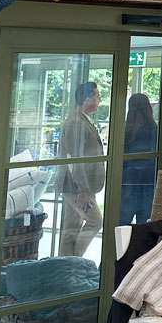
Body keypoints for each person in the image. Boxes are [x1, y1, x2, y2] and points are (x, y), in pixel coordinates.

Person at [58, 81, 106, 257]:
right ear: (87, 98)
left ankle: (65, 267)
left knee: (70, 227)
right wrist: (82, 190)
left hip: (76, 186)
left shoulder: (81, 120)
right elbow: (74, 159)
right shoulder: (76, 123)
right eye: (97, 96)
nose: (99, 100)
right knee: (95, 221)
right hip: (76, 187)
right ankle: (74, 261)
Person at [120, 93, 159, 225]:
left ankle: (118, 247)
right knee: (144, 227)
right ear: (148, 108)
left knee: (122, 225)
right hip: (149, 181)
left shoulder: (124, 131)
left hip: (128, 182)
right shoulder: (155, 129)